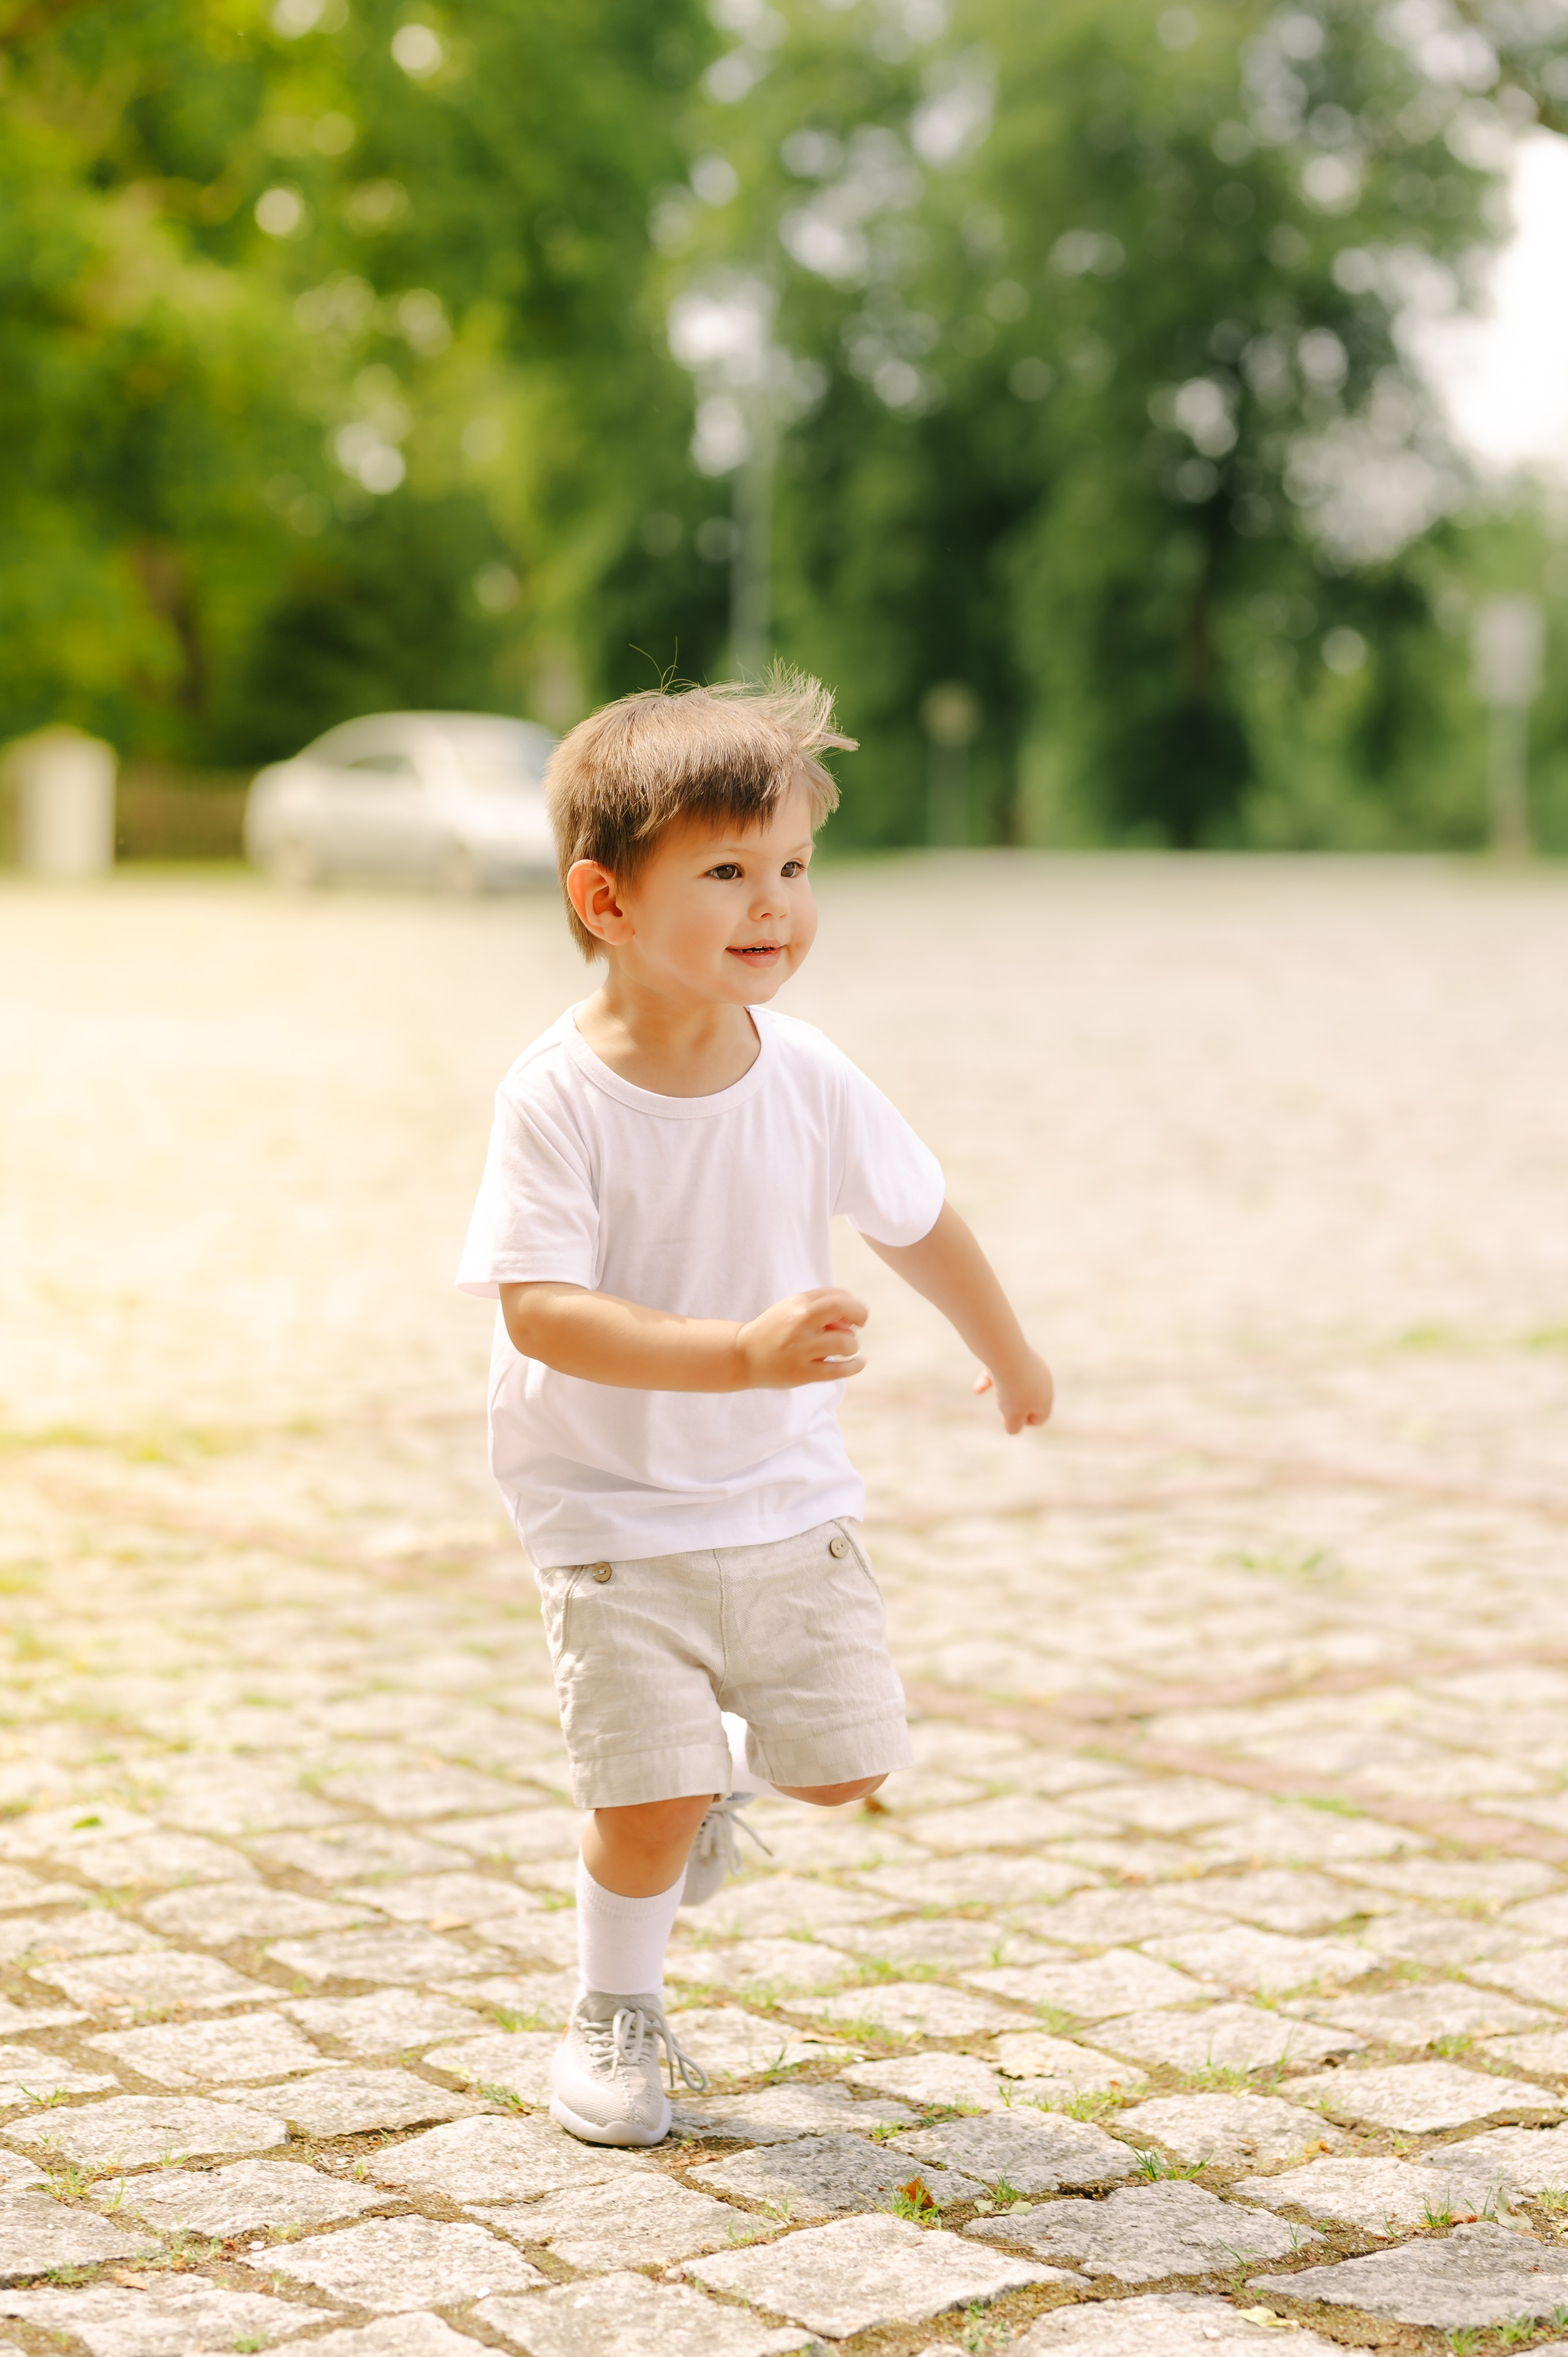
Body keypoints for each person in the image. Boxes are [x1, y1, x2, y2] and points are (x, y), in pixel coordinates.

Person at [457, 673, 1052, 2147]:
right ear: (605, 898)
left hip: (784, 1497)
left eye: (790, 865)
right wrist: (737, 1352)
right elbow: (539, 1309)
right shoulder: (555, 1098)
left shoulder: (811, 1072)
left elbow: (914, 1217)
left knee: (842, 1767)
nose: (771, 901)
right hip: (608, 1510)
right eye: (723, 870)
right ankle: (618, 2011)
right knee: (643, 1806)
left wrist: (1008, 1348)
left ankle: (709, 1783)